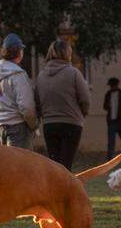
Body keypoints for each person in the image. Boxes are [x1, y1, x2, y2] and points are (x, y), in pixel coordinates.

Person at [35, 39, 91, 170]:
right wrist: (81, 115)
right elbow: (85, 100)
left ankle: (53, 190)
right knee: (66, 166)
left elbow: (37, 101)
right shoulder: (74, 73)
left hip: (49, 124)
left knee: (55, 166)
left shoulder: (41, 75)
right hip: (71, 123)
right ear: (68, 54)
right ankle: (64, 190)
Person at [0, 33, 38, 149]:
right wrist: (33, 126)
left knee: (8, 164)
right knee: (22, 165)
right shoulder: (18, 74)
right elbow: (27, 107)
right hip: (18, 126)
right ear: (19, 52)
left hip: (0, 126)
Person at [103, 77, 121, 159]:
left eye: (112, 85)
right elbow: (104, 106)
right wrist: (108, 106)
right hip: (112, 121)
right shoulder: (108, 94)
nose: (112, 87)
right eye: (111, 86)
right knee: (111, 141)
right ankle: (110, 158)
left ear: (116, 85)